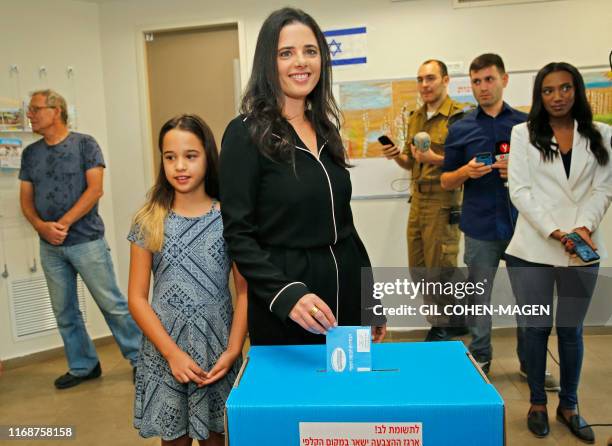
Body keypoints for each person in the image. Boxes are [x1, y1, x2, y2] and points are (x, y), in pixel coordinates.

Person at [219, 7, 386, 346]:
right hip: (290, 307)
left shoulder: (326, 130)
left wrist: (371, 301)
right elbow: (239, 235)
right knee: (298, 398)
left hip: (347, 296)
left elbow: (347, 228)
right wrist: (287, 295)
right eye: (286, 53)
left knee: (350, 397)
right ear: (268, 62)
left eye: (310, 51)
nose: (301, 62)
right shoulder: (244, 134)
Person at [505, 62, 611, 442]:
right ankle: (536, 403)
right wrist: (556, 231)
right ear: (539, 96)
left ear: (577, 90)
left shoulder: (602, 134)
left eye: (565, 88)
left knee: (571, 331)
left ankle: (569, 405)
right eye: (548, 90)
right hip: (532, 248)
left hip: (581, 250)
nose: (557, 96)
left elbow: (603, 189)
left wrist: (580, 229)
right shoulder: (523, 134)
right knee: (535, 331)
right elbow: (520, 192)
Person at [128, 114, 248, 446]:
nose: (180, 166)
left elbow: (244, 292)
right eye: (170, 157)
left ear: (208, 158)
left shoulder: (228, 217)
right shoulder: (149, 220)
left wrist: (234, 348)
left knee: (217, 437)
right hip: (166, 350)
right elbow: (136, 299)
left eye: (190, 156)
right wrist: (172, 354)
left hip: (217, 350)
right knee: (174, 440)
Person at [440, 54, 557, 382]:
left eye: (489, 79)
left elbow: (548, 175)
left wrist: (519, 170)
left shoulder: (527, 125)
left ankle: (531, 363)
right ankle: (480, 360)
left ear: (504, 80)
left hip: (524, 226)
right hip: (479, 226)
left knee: (528, 299)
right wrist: (466, 171)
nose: (483, 87)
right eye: (476, 81)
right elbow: (446, 180)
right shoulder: (460, 128)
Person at [19, 89, 141, 389]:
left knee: (112, 304)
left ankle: (141, 359)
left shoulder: (85, 144)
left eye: (35, 109)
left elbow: (94, 190)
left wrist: (60, 224)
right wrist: (41, 227)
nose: (30, 115)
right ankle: (83, 365)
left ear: (56, 110)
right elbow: (25, 199)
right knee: (64, 310)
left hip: (87, 242)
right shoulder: (30, 153)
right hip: (50, 247)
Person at [381, 59, 469, 341]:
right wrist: (398, 156)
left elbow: (467, 164)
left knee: (441, 267)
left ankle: (445, 324)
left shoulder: (459, 117)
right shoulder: (416, 117)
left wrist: (436, 159)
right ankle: (448, 319)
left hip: (443, 201)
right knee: (418, 268)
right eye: (420, 79)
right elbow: (412, 164)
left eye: (430, 78)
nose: (424, 85)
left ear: (445, 80)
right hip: (417, 202)